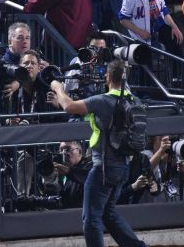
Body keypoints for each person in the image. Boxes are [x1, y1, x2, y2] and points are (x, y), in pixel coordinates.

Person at [49, 60, 148, 247]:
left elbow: (70, 107)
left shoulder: (103, 100)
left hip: (103, 167)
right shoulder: (135, 100)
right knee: (108, 213)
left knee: (91, 218)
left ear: (108, 77)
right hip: (123, 165)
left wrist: (58, 88)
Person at [53, 140, 92, 209]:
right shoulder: (60, 171)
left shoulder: (89, 166)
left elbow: (88, 178)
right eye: (60, 150)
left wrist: (68, 171)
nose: (63, 153)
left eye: (67, 149)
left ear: (80, 151)